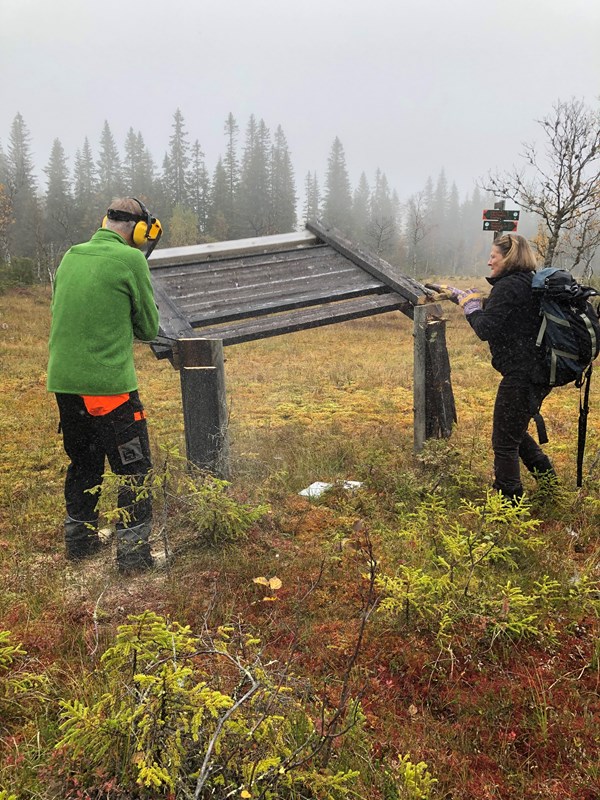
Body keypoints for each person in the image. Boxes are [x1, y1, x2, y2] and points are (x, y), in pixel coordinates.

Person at [47, 197, 162, 570]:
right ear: (139, 230)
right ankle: (133, 557)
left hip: (64, 384)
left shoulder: (70, 255)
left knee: (84, 462)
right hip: (108, 388)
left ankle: (78, 541)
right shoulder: (131, 260)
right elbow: (148, 328)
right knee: (135, 470)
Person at [427, 233, 555, 501]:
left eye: (493, 256)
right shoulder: (526, 283)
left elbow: (485, 327)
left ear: (507, 257)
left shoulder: (508, 286)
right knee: (514, 432)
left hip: (523, 374)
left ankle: (509, 502)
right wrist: (459, 297)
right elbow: (503, 313)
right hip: (537, 372)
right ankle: (551, 487)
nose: (489, 262)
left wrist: (470, 307)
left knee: (504, 441)